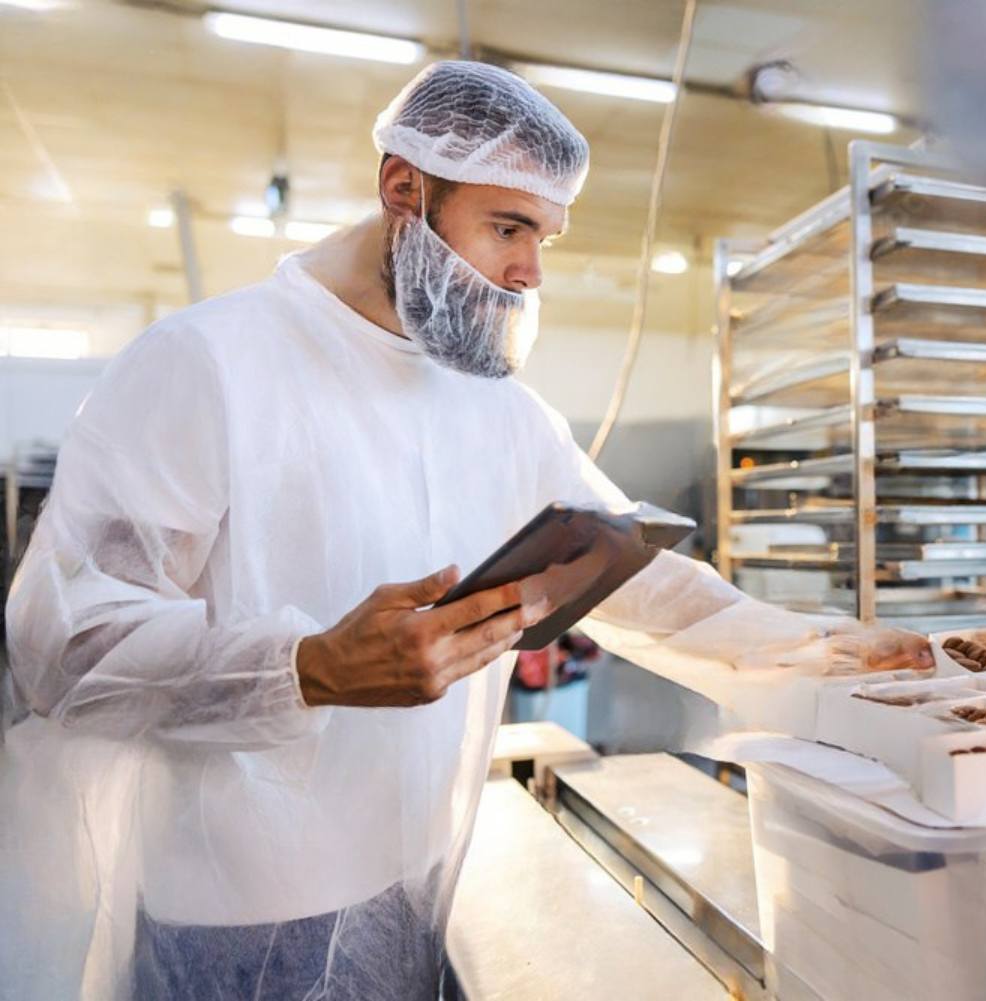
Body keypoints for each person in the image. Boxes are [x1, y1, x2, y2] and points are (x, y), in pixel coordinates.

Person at [0, 60, 932, 1000]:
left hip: (414, 885)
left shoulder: (500, 413)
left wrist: (831, 648)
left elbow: (636, 580)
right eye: (509, 227)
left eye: (545, 237)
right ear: (404, 190)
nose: (530, 271)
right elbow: (61, 642)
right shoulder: (207, 365)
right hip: (236, 919)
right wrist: (309, 666)